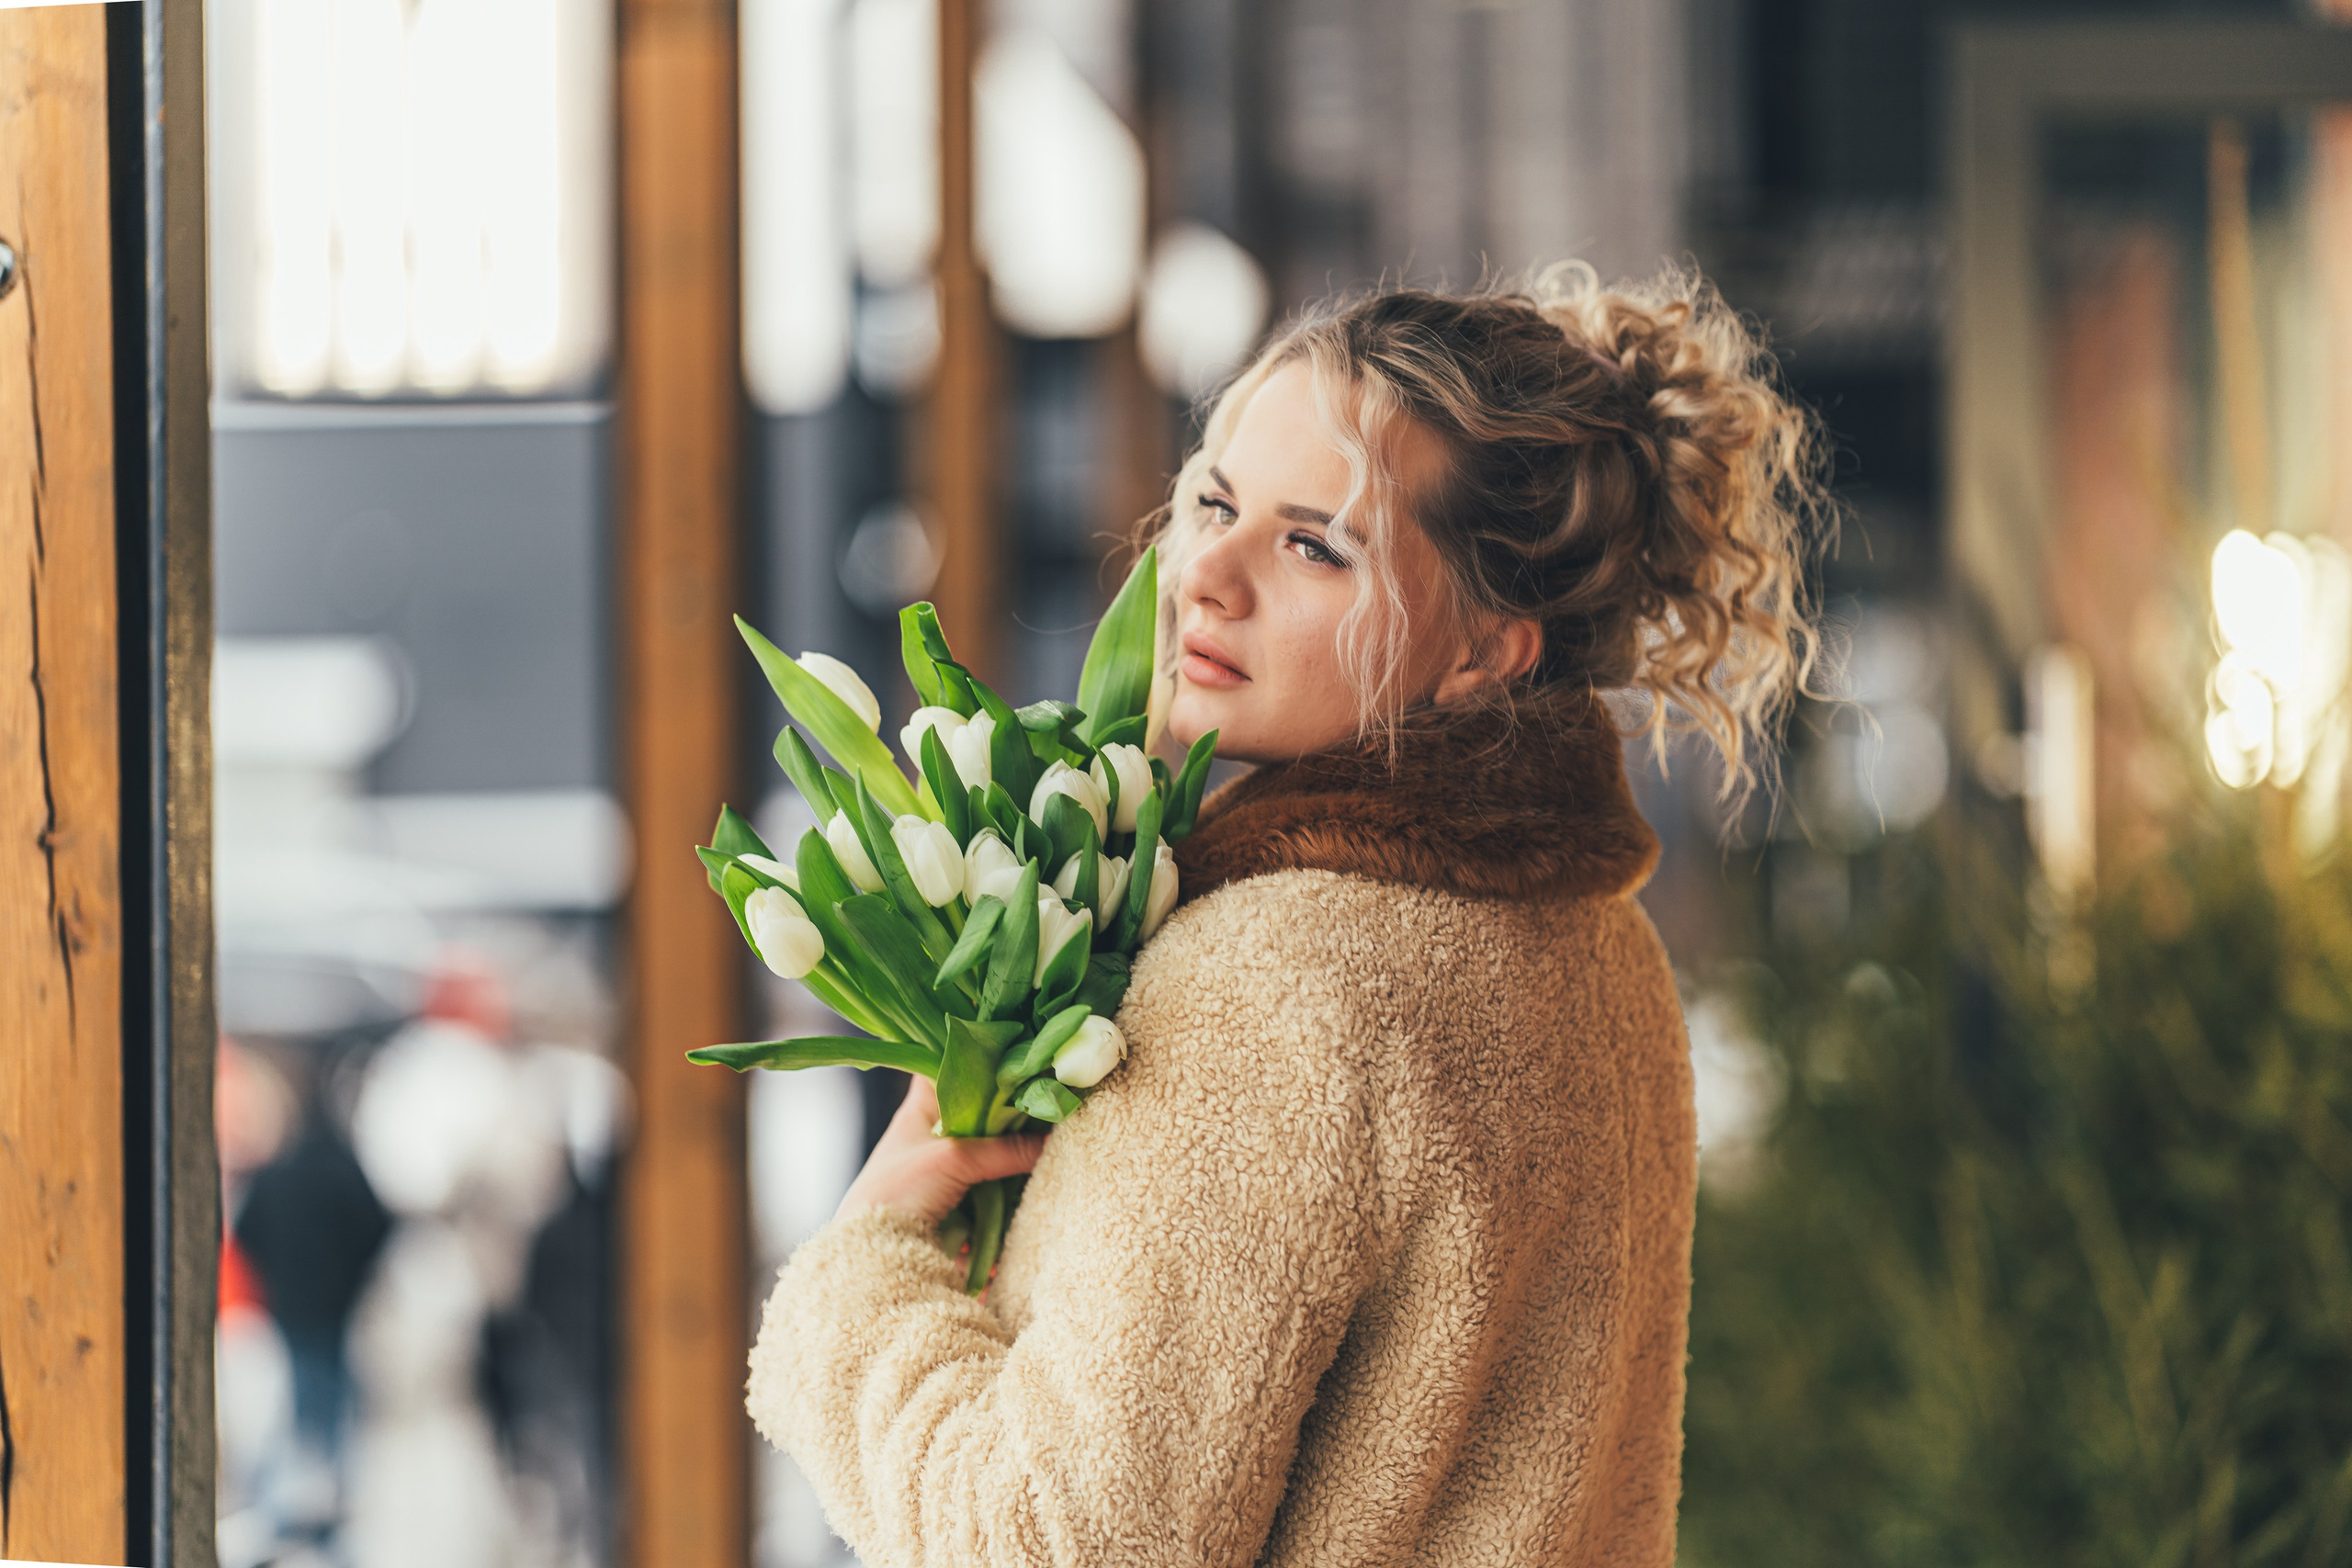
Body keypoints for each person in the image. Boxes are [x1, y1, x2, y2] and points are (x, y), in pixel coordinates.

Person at [747, 263, 1826, 1566]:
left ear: (1488, 648)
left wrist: (862, 1272)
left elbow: (1055, 1544)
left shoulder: (1277, 978)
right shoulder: (1604, 953)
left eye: (1316, 546)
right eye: (1215, 503)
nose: (1208, 573)